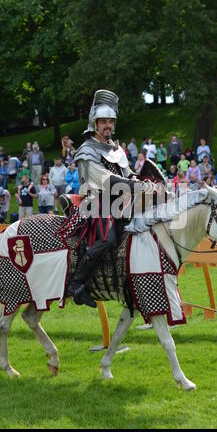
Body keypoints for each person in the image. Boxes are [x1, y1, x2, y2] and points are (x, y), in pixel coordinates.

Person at [66, 89, 156, 307]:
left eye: (111, 121)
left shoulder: (116, 149)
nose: (108, 125)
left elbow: (127, 175)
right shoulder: (86, 151)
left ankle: (128, 283)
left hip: (119, 203)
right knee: (108, 239)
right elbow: (106, 180)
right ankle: (76, 283)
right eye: (103, 121)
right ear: (94, 123)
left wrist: (144, 181)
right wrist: (137, 185)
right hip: (95, 204)